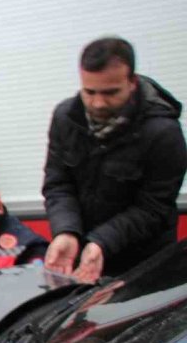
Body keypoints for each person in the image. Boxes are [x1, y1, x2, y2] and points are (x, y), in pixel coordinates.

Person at [42, 37, 187, 283]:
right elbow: (58, 184)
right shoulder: (66, 118)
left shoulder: (163, 133)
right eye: (89, 92)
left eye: (110, 93)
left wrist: (101, 242)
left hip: (144, 267)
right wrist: (66, 231)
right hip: (83, 255)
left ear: (132, 82)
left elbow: (153, 208)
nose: (98, 103)